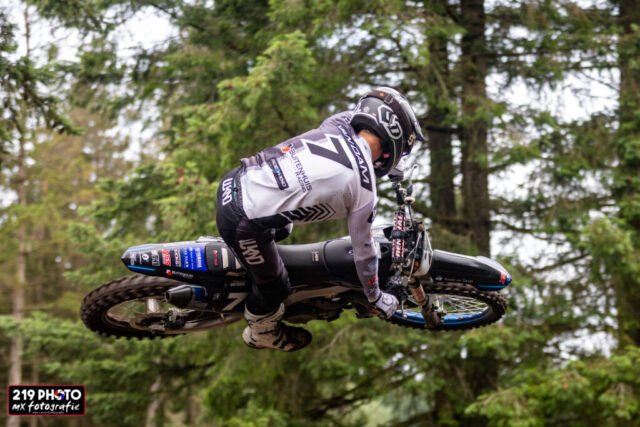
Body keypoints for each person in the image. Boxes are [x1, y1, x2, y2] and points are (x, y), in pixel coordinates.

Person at [216, 86, 425, 351]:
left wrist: (391, 163)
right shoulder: (363, 190)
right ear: (393, 140)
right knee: (276, 287)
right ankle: (261, 330)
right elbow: (364, 254)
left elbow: (359, 133)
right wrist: (376, 297)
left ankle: (243, 259)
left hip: (235, 179)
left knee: (283, 227)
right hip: (241, 220)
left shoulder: (338, 123)